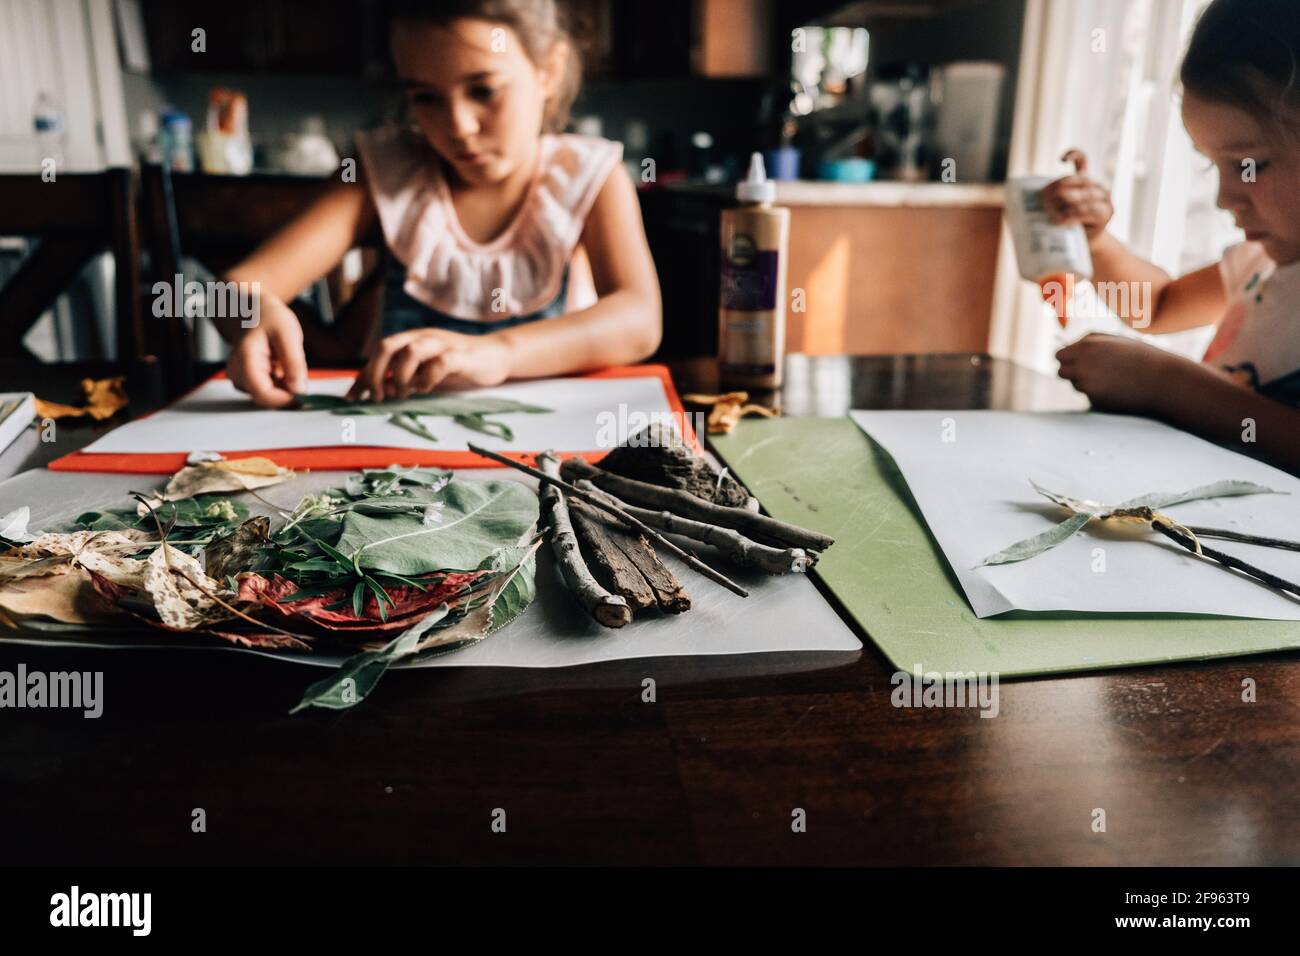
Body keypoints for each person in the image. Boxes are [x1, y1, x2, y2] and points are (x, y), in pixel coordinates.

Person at [217, 0, 661, 407]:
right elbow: (228, 294)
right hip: (392, 449)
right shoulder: (381, 172)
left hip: (546, 440)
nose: (459, 126)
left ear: (549, 69)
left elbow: (639, 320)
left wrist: (498, 353)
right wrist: (254, 317)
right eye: (426, 98)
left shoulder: (590, 177)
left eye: (484, 90)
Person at [1044, 0, 1300, 472]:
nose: (1226, 198)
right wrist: (1097, 241)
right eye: (1212, 165)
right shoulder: (1257, 262)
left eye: (1252, 165)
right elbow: (1156, 307)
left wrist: (1164, 383)